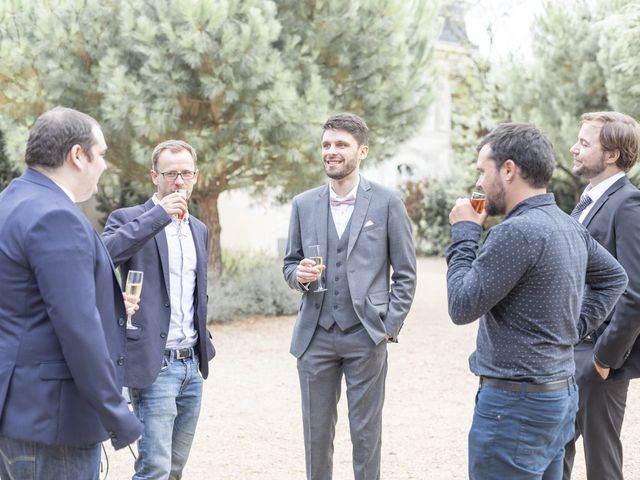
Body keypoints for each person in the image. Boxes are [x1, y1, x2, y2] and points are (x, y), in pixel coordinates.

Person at [446, 122, 628, 480]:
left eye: (483, 171)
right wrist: (572, 329)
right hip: (558, 397)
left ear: (509, 169)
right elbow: (614, 278)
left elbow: (461, 306)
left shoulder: (514, 233)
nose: (479, 183)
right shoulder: (567, 224)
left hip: (514, 406)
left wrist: (465, 233)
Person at [0, 107, 143, 479]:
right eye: (104, 153)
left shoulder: (11, 202)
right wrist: (118, 415)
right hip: (54, 423)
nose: (106, 165)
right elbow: (77, 330)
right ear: (78, 156)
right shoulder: (55, 216)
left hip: (17, 411)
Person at [283, 112, 417, 480]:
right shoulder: (303, 204)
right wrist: (298, 275)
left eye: (341, 144)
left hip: (366, 334)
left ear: (362, 151)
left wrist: (389, 325)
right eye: (326, 144)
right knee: (316, 436)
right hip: (315, 336)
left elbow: (405, 272)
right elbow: (289, 264)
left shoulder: (388, 202)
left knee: (366, 435)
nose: (331, 151)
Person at [102, 140, 215, 479]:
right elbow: (103, 254)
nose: (179, 181)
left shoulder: (199, 229)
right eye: (170, 174)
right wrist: (158, 217)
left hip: (192, 365)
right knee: (154, 467)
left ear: (196, 176)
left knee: (175, 468)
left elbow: (198, 294)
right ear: (154, 176)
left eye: (186, 174)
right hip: (154, 364)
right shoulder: (128, 218)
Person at [563, 111, 640, 480]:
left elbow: (635, 291)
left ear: (611, 155)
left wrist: (604, 358)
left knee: (602, 467)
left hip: (597, 360)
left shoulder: (628, 204)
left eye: (584, 143)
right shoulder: (588, 200)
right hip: (565, 350)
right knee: (552, 452)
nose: (574, 149)